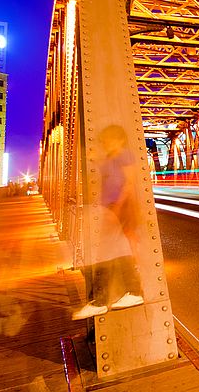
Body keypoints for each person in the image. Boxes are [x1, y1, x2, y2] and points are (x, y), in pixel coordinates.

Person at [72, 125, 144, 320]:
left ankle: (102, 301)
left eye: (108, 139)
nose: (105, 143)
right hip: (110, 210)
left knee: (108, 255)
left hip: (118, 209)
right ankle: (124, 294)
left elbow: (129, 183)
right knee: (115, 253)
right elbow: (99, 170)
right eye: (104, 140)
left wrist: (117, 208)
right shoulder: (109, 159)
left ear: (119, 140)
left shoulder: (124, 155)